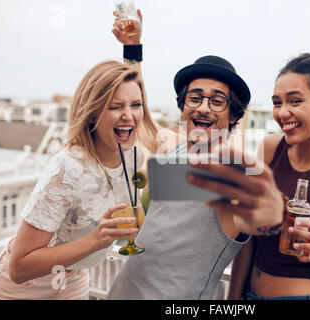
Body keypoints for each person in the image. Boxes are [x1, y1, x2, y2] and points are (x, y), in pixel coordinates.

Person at [107, 11, 283, 300]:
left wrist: (272, 215)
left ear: (234, 114)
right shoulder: (173, 148)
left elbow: (257, 221)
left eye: (217, 101)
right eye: (195, 97)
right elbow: (143, 120)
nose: (203, 107)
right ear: (183, 106)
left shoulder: (231, 175)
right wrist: (132, 49)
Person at [189, 53, 310, 300]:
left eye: (295, 101)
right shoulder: (270, 149)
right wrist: (233, 299)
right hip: (247, 296)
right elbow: (249, 240)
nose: (283, 113)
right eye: (277, 103)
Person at [0, 59, 159, 300]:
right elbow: (18, 268)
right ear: (92, 114)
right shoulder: (68, 167)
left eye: (136, 105)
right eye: (115, 107)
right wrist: (97, 239)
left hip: (75, 277)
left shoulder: (132, 155)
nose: (128, 115)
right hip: (24, 289)